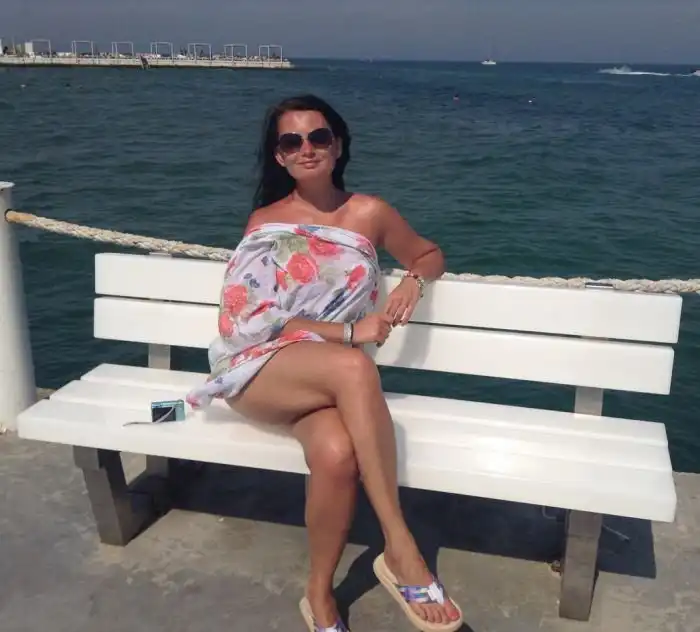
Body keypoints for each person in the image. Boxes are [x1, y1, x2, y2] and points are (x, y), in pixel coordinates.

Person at [186, 94, 463, 632]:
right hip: (259, 369)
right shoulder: (265, 220)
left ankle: (318, 596)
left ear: (338, 145)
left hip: (326, 380)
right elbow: (246, 319)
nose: (306, 148)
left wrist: (412, 280)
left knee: (337, 455)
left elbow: (428, 253)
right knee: (355, 366)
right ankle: (399, 544)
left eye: (318, 137)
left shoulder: (370, 214)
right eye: (291, 141)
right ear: (279, 156)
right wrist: (348, 333)